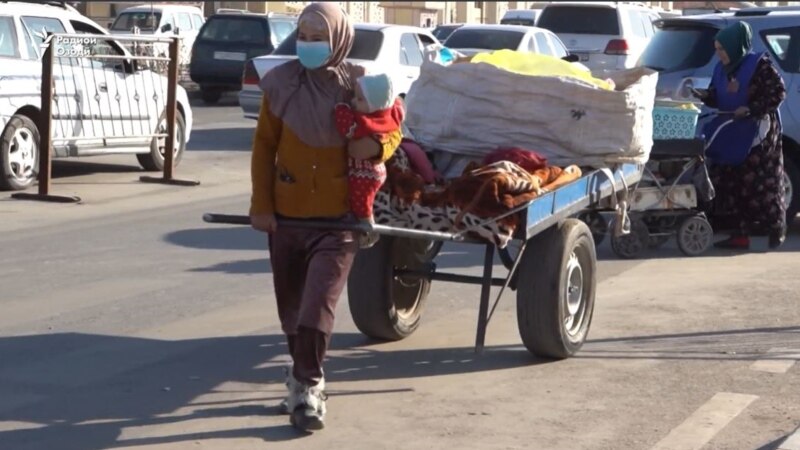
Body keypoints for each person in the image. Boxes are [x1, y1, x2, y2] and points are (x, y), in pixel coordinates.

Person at [249, 3, 401, 431]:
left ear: (339, 39)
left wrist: (375, 149)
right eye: (303, 35)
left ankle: (309, 387)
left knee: (318, 306)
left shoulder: (357, 82)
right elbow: (263, 147)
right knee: (292, 308)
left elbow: (393, 127)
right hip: (286, 217)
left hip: (339, 220)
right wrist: (262, 205)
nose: (309, 44)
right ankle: (298, 378)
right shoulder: (279, 84)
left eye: (319, 36)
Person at [693, 22, 787, 250]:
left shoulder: (759, 65)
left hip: (758, 132)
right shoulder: (722, 69)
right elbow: (718, 94)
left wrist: (752, 108)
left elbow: (778, 92)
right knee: (728, 179)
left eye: (722, 49)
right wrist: (705, 96)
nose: (719, 54)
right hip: (731, 129)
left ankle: (775, 229)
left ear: (735, 47)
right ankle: (739, 234)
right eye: (717, 49)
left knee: (760, 183)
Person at [334, 72, 404, 246]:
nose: (353, 102)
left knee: (362, 204)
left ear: (374, 105)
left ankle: (368, 230)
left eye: (359, 99)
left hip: (364, 173)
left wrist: (341, 108)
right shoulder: (385, 116)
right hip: (374, 170)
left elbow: (347, 129)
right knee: (363, 202)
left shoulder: (367, 122)